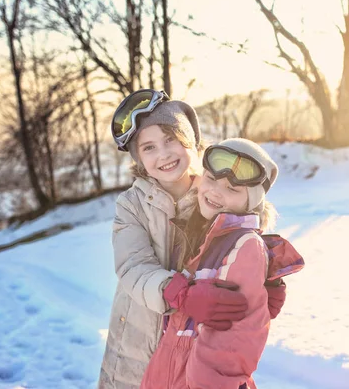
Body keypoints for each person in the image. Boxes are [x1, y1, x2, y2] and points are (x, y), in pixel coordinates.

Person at [99, 90, 288, 389]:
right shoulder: (131, 205)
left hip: (187, 349)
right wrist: (180, 295)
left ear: (191, 140)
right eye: (148, 147)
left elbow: (237, 245)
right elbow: (132, 266)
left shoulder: (213, 192)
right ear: (138, 158)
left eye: (170, 139)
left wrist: (260, 287)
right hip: (138, 340)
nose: (163, 154)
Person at [140, 138, 305, 389]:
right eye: (211, 179)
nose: (216, 192)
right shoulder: (200, 233)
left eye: (233, 189)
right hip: (169, 371)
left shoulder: (244, 245)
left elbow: (235, 339)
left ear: (251, 202)